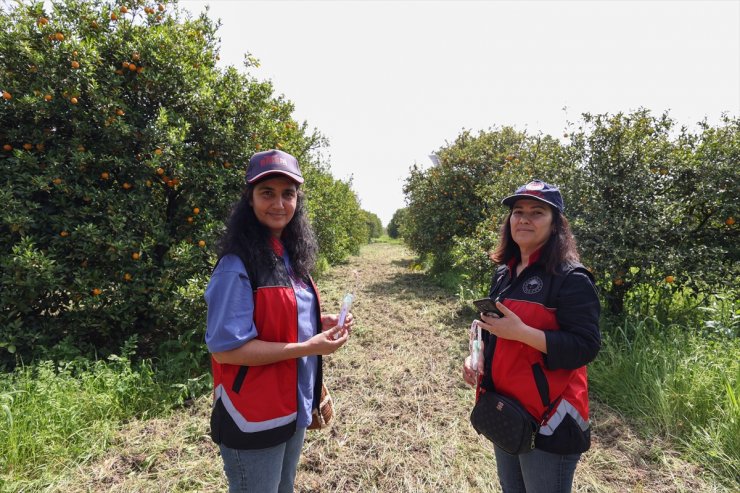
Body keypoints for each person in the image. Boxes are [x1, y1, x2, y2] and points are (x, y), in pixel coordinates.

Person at [204, 149, 353, 493]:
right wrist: (307, 346)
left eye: (288, 194)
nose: (279, 203)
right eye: (267, 192)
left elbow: (280, 314)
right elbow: (228, 350)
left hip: (292, 404)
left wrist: (319, 320)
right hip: (252, 413)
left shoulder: (288, 256)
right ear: (250, 199)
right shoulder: (236, 265)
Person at [462, 180, 601, 493]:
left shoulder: (570, 278)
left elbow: (585, 346)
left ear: (555, 225)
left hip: (551, 419)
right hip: (506, 409)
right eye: (518, 211)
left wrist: (523, 334)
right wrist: (475, 356)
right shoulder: (505, 272)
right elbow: (494, 329)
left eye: (537, 212)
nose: (524, 218)